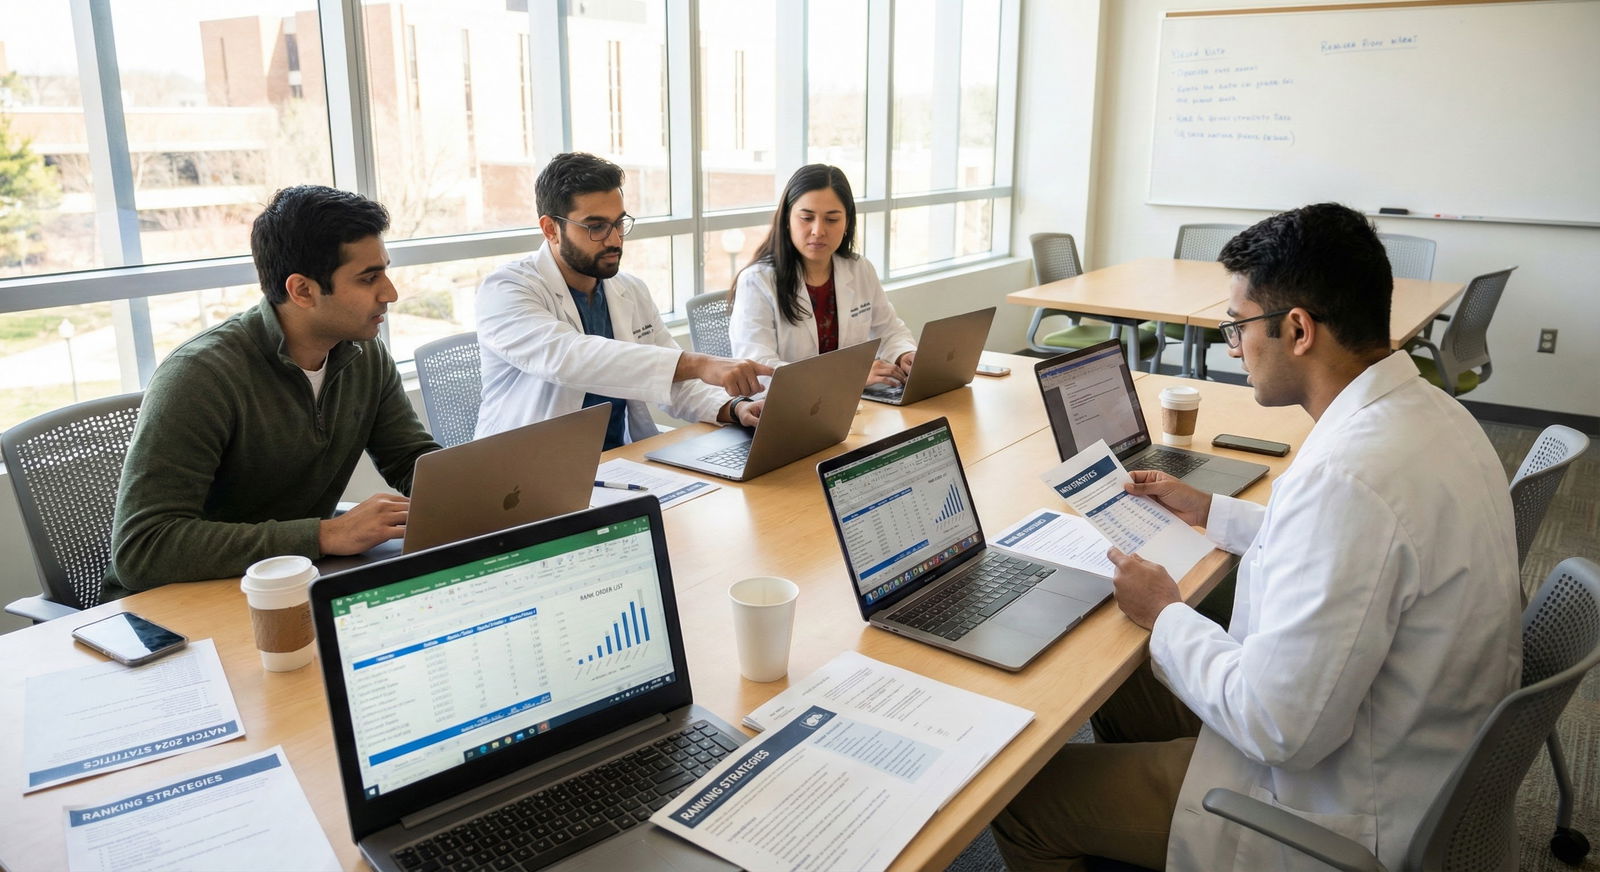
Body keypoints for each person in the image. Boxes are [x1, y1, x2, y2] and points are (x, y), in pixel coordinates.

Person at [990, 203, 1521, 871]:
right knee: (1124, 681)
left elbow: (1278, 729)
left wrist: (1166, 614)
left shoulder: (1349, 479)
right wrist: (1212, 511)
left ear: (1297, 329)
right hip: (1401, 745)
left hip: (1326, 810)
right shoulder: (1431, 415)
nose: (1233, 345)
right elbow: (1354, 551)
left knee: (1020, 798)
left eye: (1238, 325)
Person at [108, 185, 442, 593]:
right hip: (184, 606)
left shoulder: (364, 356)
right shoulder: (201, 376)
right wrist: (323, 535)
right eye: (369, 278)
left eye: (385, 271)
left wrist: (481, 493)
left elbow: (413, 462)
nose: (390, 293)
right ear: (302, 290)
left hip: (290, 583)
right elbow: (143, 548)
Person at [475, 152, 768, 446]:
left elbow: (674, 382)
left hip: (616, 464)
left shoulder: (630, 290)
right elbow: (569, 358)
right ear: (551, 229)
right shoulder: (505, 289)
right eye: (596, 227)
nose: (614, 239)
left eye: (618, 223)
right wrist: (699, 363)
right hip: (525, 472)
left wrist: (736, 407)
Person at [729, 164, 917, 388]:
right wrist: (848, 376)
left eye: (832, 219)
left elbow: (889, 329)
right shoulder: (758, 281)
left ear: (847, 222)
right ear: (787, 219)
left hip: (855, 402)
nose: (818, 230)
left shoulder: (860, 269)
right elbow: (760, 368)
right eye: (807, 218)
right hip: (790, 407)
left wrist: (904, 354)